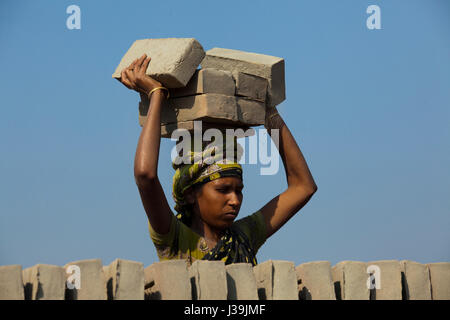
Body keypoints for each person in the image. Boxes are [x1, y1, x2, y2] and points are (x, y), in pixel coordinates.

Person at [119, 53, 318, 266]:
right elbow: (145, 175)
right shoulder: (176, 239)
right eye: (223, 190)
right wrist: (156, 95)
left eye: (239, 190)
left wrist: (268, 112)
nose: (235, 200)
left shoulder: (243, 237)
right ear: (190, 194)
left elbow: (303, 186)